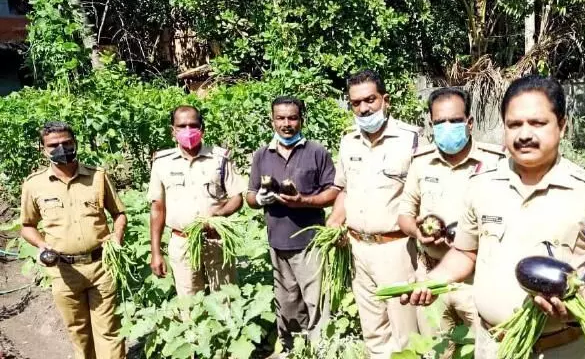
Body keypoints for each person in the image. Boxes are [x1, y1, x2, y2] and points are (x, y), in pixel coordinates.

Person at [402, 75, 585, 359]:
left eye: (538, 123)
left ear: (562, 126)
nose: (524, 134)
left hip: (562, 348)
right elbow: (465, 252)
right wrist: (433, 280)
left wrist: (577, 308)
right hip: (494, 346)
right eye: (514, 124)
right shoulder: (482, 185)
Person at [327, 69, 422, 358]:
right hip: (357, 249)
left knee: (405, 329)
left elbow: (423, 195)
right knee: (373, 329)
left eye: (370, 100)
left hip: (395, 250)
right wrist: (334, 221)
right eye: (356, 103)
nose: (364, 108)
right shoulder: (348, 142)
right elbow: (344, 189)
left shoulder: (411, 139)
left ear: (385, 100)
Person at [397, 87, 504, 335]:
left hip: (479, 278)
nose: (447, 127)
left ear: (470, 123)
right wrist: (417, 232)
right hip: (431, 276)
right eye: (440, 122)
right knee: (437, 349)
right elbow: (404, 215)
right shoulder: (421, 162)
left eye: (455, 121)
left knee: (487, 346)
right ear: (431, 125)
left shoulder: (495, 163)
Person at [20, 121, 127, 359]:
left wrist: (116, 235)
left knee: (109, 331)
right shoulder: (34, 184)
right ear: (43, 149)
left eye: (66, 143)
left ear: (75, 143)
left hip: (101, 266)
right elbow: (27, 226)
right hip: (63, 270)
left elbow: (119, 214)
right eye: (54, 145)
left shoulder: (98, 177)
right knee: (78, 331)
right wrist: (41, 244)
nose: (61, 148)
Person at [245, 96, 339, 354]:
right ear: (272, 120)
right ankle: (293, 350)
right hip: (278, 243)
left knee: (317, 303)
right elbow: (251, 195)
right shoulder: (262, 155)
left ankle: (322, 350)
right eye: (281, 118)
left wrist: (304, 201)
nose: (287, 124)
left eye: (292, 118)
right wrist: (259, 199)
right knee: (286, 304)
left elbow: (333, 191)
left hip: (310, 243)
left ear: (301, 119)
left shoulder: (316, 152)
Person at [148, 105, 246, 296]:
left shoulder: (220, 159)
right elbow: (157, 208)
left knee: (226, 299)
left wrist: (219, 214)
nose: (187, 131)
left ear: (202, 129)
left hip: (216, 240)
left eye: (193, 125)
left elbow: (237, 197)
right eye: (181, 126)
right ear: (173, 131)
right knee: (189, 302)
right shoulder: (162, 162)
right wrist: (156, 252)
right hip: (182, 242)